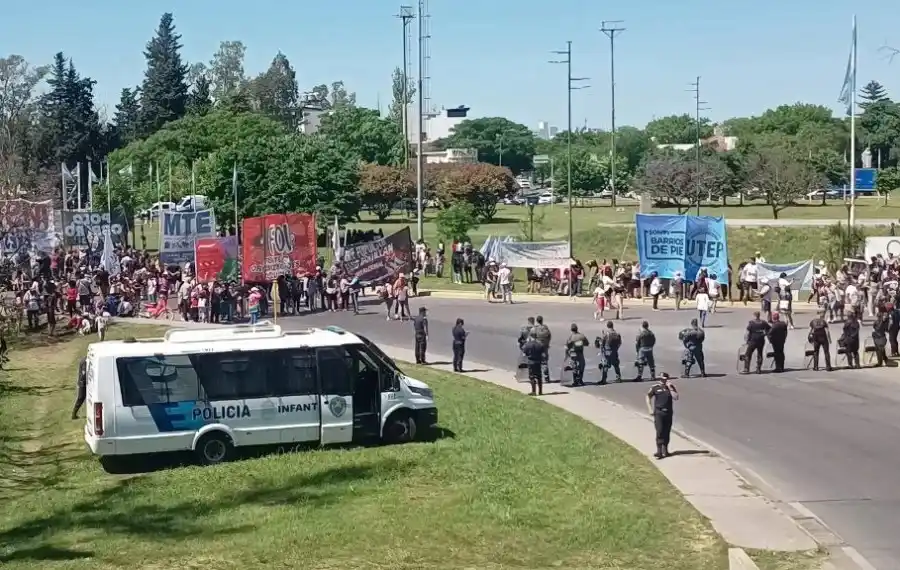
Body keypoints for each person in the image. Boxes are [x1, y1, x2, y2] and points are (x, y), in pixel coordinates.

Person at [646, 372, 678, 459]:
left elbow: (676, 397)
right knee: (659, 431)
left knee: (667, 431)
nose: (663, 380)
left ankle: (665, 450)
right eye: (661, 379)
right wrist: (650, 408)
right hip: (659, 412)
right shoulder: (655, 387)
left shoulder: (670, 387)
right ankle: (659, 451)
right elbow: (648, 396)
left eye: (665, 379)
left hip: (668, 412)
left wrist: (670, 387)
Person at [531, 315, 552, 384]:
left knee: (536, 363)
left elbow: (532, 337)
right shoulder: (546, 328)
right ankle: (546, 378)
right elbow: (549, 336)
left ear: (537, 321)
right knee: (544, 363)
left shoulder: (535, 329)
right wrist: (547, 344)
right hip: (544, 347)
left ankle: (537, 378)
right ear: (542, 320)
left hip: (537, 348)